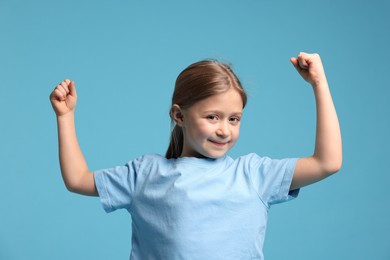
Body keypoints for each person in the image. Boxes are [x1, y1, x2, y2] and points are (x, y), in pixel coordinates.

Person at [50, 52, 342, 259]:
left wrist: (320, 85)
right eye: (213, 117)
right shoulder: (145, 174)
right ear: (179, 115)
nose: (224, 130)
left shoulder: (255, 175)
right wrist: (65, 116)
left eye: (234, 119)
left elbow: (327, 162)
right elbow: (77, 180)